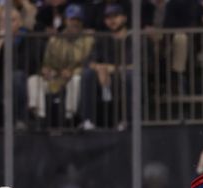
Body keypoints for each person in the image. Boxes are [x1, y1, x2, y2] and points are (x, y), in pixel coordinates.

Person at [27, 3, 94, 127]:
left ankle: (69, 117)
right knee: (33, 80)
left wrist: (73, 72)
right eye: (72, 19)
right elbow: (47, 63)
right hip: (56, 79)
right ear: (65, 20)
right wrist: (47, 70)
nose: (75, 22)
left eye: (78, 19)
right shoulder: (55, 40)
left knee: (76, 80)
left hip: (75, 77)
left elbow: (90, 63)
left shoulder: (89, 39)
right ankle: (40, 117)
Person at [79, 3, 132, 131]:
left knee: (130, 75)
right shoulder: (103, 39)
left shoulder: (134, 37)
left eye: (115, 16)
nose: (112, 20)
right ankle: (88, 121)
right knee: (87, 74)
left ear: (124, 18)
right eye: (108, 17)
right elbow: (89, 61)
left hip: (126, 77)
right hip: (105, 79)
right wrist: (100, 68)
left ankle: (128, 121)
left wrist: (110, 69)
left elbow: (135, 65)